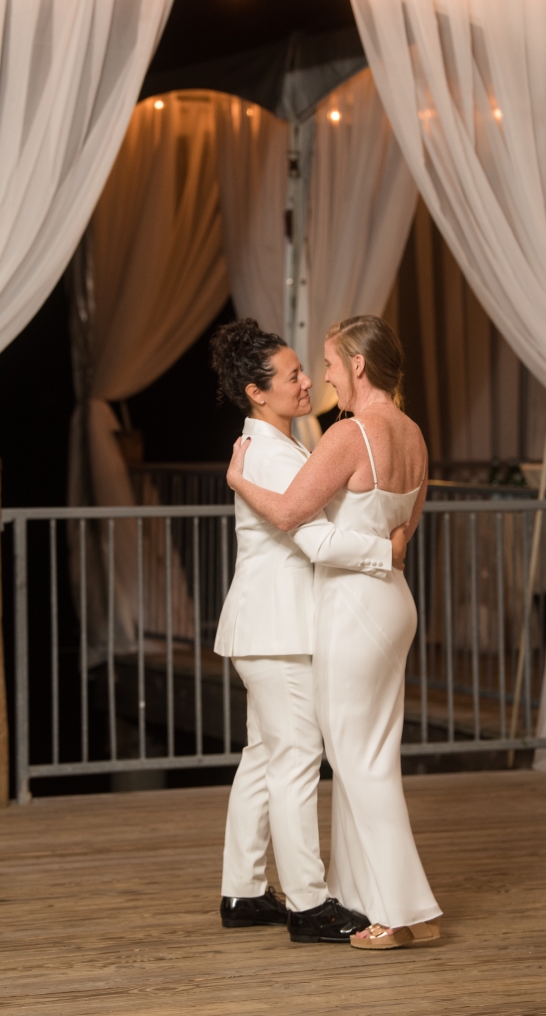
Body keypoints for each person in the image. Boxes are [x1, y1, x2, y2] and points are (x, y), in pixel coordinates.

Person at [226, 315, 442, 951]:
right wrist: (383, 547)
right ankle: (372, 899)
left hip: (352, 608)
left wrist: (239, 482)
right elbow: (403, 533)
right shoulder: (413, 435)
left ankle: (403, 912)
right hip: (394, 605)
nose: (320, 377)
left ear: (359, 367)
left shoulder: (350, 435)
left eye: (326, 364)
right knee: (370, 755)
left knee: (358, 762)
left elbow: (296, 516)